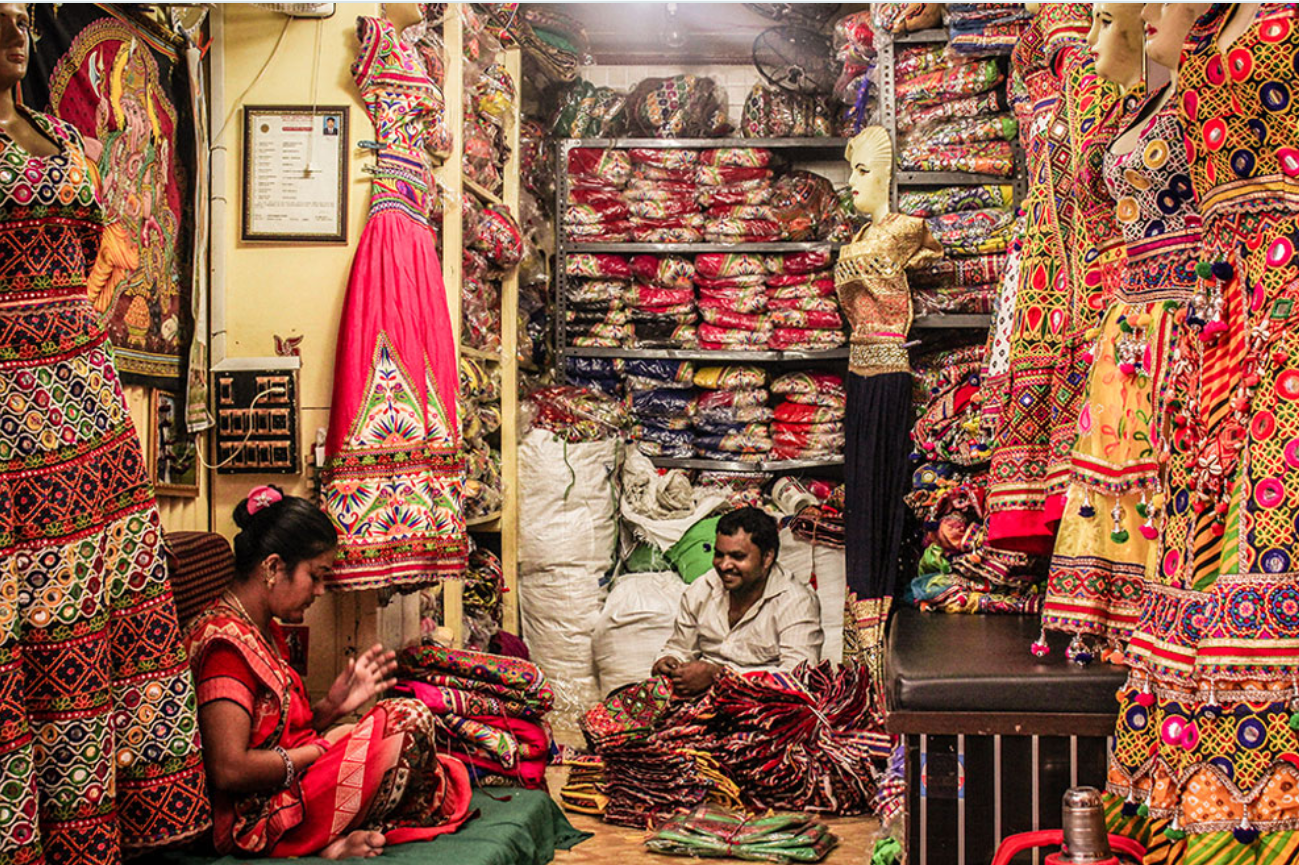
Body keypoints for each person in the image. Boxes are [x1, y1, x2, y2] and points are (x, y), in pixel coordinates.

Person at [0, 4, 210, 862]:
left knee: (108, 595)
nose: (16, 25)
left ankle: (118, 828)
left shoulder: (60, 135)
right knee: (37, 605)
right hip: (12, 401)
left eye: (22, 14)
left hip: (89, 395)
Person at [183, 486, 473, 859]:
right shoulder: (224, 646)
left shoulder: (263, 630)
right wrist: (323, 748)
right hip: (254, 814)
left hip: (289, 786)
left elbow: (281, 737)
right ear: (273, 567)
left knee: (421, 745)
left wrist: (332, 709)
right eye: (315, 576)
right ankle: (313, 840)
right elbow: (230, 769)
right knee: (405, 719)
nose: (320, 591)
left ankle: (331, 837)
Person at [652, 507, 823, 696]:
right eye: (719, 555)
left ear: (767, 558)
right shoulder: (703, 588)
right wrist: (669, 661)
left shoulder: (796, 602)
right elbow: (680, 647)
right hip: (702, 699)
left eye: (738, 557)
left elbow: (799, 678)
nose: (724, 565)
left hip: (762, 705)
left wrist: (719, 676)